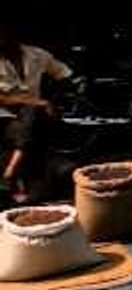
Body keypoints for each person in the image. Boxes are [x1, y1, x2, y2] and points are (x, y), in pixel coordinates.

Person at [0, 22, 73, 206]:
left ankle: (10, 173)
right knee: (32, 112)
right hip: (4, 118)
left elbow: (64, 74)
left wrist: (59, 99)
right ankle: (12, 172)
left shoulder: (37, 55)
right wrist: (39, 102)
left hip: (35, 117)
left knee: (32, 114)